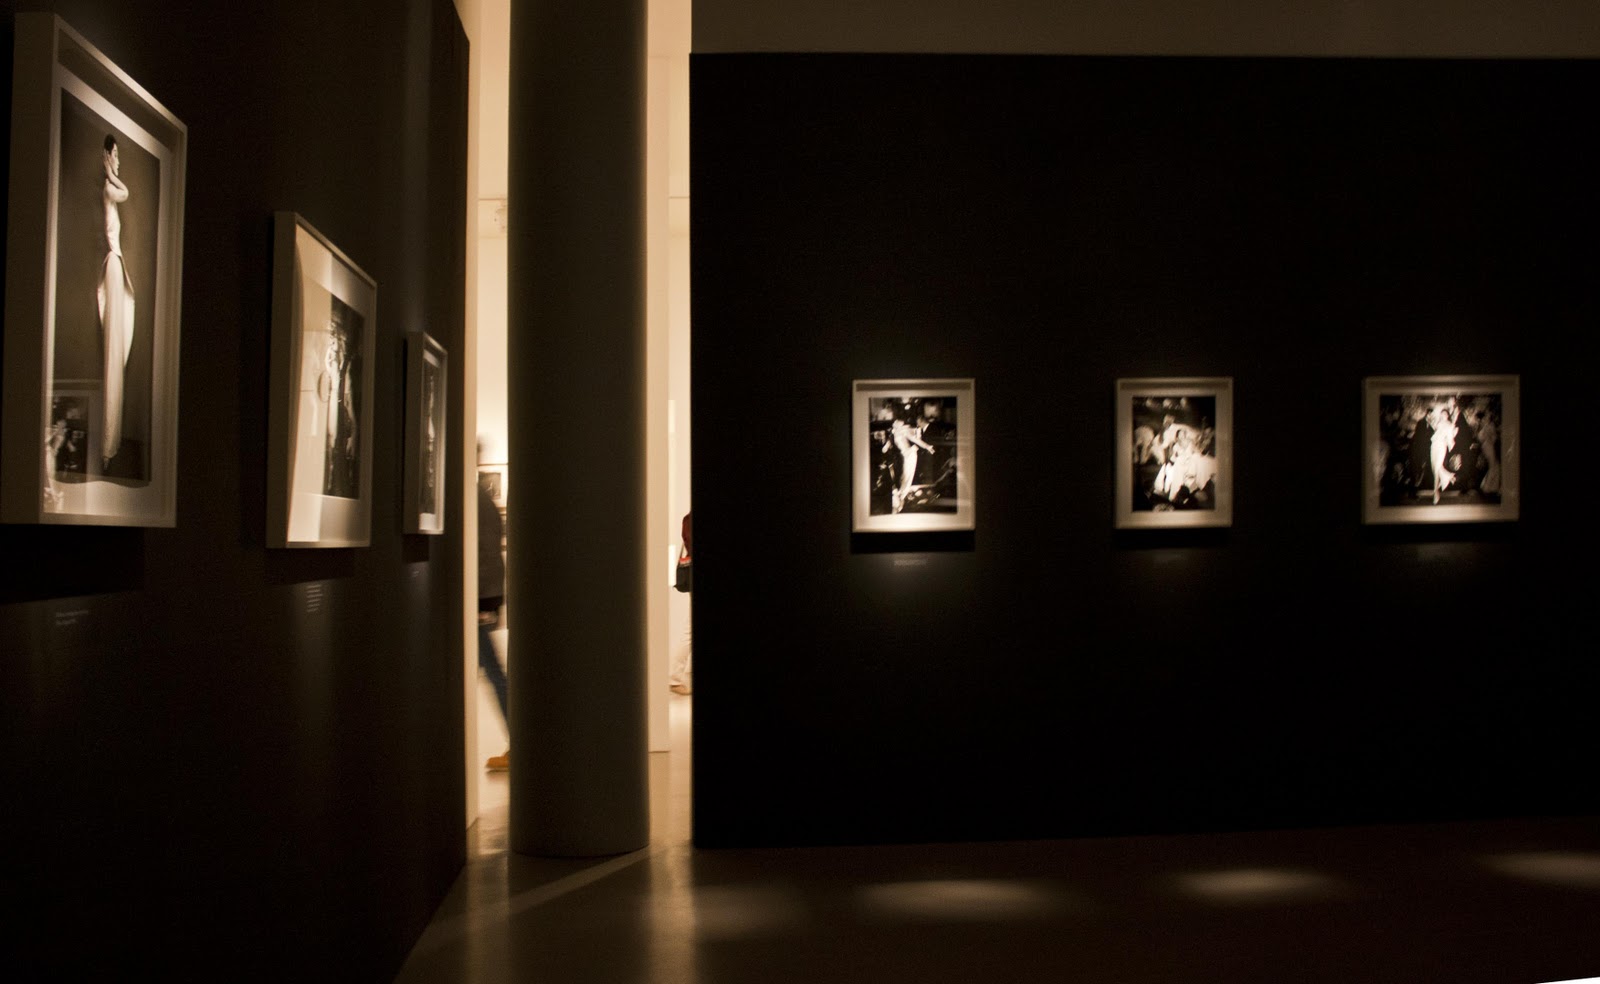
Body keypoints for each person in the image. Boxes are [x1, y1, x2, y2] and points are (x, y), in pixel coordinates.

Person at [98, 134, 135, 471]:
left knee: (117, 354)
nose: (119, 161)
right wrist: (110, 172)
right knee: (113, 354)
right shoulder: (109, 189)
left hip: (115, 266)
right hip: (113, 266)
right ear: (107, 155)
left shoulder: (110, 187)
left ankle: (112, 443)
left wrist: (111, 170)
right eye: (116, 155)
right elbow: (125, 193)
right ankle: (108, 446)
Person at [478, 476, 510, 770]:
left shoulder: (473, 497)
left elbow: (483, 552)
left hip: (482, 596)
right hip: (489, 593)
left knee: (493, 670)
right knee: (492, 669)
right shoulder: (483, 497)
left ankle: (519, 741)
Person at [670, 511, 692, 695]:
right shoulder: (690, 519)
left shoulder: (688, 519)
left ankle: (675, 677)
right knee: (690, 630)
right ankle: (674, 678)